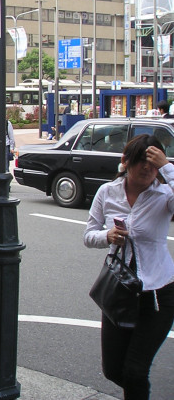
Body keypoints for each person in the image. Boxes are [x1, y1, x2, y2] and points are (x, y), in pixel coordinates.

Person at [84, 134, 174, 400]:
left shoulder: (165, 195)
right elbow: (88, 235)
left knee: (135, 371)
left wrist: (167, 167)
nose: (147, 168)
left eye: (153, 164)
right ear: (126, 161)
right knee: (113, 370)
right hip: (120, 291)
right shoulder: (107, 192)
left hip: (157, 294)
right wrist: (107, 236)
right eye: (141, 162)